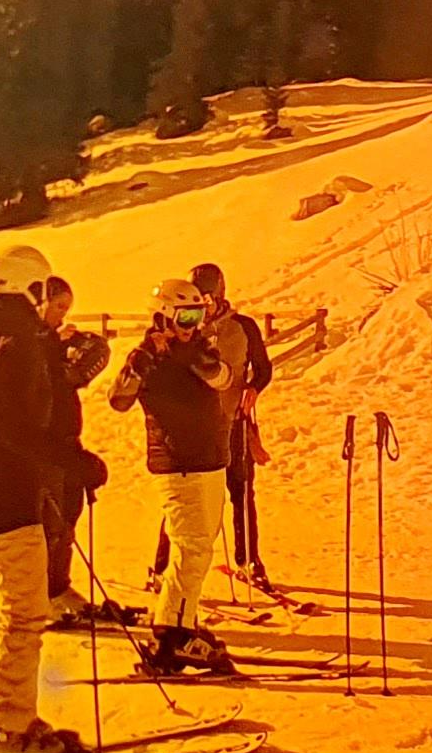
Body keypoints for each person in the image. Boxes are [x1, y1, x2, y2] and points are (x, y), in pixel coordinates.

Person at [0, 244, 95, 753]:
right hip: (5, 497)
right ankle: (8, 729)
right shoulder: (15, 346)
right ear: (31, 287)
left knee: (16, 607)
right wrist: (74, 462)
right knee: (27, 612)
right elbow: (21, 431)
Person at [109, 274, 241, 675]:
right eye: (184, 318)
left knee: (202, 547)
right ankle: (172, 632)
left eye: (198, 316)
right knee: (191, 546)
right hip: (179, 464)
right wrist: (139, 366)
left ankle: (183, 619)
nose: (193, 327)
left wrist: (196, 356)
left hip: (210, 459)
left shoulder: (199, 350)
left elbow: (224, 379)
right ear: (164, 318)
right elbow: (118, 400)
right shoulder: (148, 356)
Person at [192, 260, 276, 586]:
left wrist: (254, 388)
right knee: (191, 499)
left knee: (241, 493)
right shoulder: (187, 329)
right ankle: (163, 565)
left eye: (206, 298)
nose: (202, 306)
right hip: (196, 429)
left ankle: (249, 561)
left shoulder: (242, 327)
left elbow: (263, 368)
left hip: (234, 422)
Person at [38, 276, 115, 629]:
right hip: (45, 448)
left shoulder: (51, 343)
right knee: (50, 523)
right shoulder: (29, 347)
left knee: (70, 513)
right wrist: (56, 348)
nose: (61, 315)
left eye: (65, 309)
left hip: (67, 441)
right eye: (57, 307)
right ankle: (43, 595)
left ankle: (59, 585)